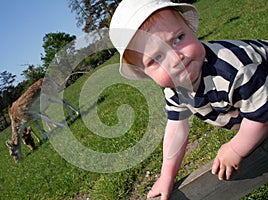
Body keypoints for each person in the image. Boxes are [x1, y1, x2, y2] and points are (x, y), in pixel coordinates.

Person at [109, 0, 268, 199]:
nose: (176, 59)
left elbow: (262, 113)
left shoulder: (234, 69)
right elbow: (177, 127)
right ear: (145, 73)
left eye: (178, 38)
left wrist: (236, 148)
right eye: (156, 58)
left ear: (189, 28)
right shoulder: (175, 89)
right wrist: (167, 175)